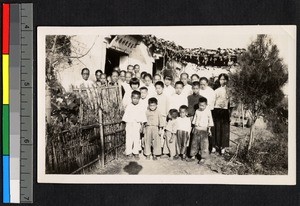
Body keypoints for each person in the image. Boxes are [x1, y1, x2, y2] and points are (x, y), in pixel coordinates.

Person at [188, 97, 214, 164]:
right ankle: (193, 156)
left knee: (204, 144)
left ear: (206, 105)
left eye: (203, 105)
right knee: (194, 143)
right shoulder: (197, 111)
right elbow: (194, 120)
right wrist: (193, 128)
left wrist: (209, 130)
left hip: (204, 130)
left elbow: (210, 121)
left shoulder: (208, 111)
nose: (201, 107)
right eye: (200, 105)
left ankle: (203, 157)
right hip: (196, 129)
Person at [122, 90, 147, 160]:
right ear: (131, 98)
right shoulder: (129, 106)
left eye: (137, 98)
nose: (135, 100)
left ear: (139, 99)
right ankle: (129, 152)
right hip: (129, 124)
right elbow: (125, 117)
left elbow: (143, 118)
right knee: (129, 138)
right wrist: (125, 126)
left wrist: (142, 126)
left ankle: (136, 152)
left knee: (136, 138)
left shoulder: (141, 107)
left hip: (137, 124)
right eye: (134, 98)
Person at [213, 73, 231, 155]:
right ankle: (215, 145)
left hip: (225, 111)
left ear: (227, 80)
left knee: (224, 129)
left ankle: (223, 147)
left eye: (224, 79)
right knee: (216, 128)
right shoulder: (216, 90)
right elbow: (213, 101)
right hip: (216, 110)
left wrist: (230, 113)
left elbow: (231, 103)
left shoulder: (229, 91)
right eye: (221, 79)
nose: (222, 81)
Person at [199, 77, 216, 153]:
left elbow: (211, 104)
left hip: (208, 112)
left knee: (209, 130)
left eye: (204, 84)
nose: (202, 86)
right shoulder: (198, 90)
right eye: (201, 84)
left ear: (207, 84)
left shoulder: (211, 91)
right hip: (199, 112)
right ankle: (200, 148)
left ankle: (211, 146)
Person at [154, 81, 168, 147]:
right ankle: (156, 146)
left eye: (159, 88)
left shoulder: (166, 97)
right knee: (156, 132)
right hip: (155, 117)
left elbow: (167, 107)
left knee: (162, 132)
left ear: (162, 88)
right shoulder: (154, 97)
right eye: (156, 88)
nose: (158, 90)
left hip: (163, 116)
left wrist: (167, 117)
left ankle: (162, 147)